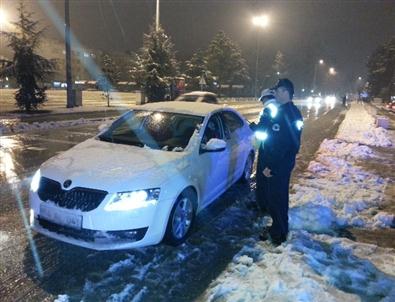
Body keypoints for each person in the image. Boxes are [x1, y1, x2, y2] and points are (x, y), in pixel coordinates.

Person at [259, 78, 303, 246]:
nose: (274, 93)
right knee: (280, 197)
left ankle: (278, 234)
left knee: (275, 199)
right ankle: (280, 227)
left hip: (279, 164)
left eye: (277, 91)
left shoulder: (285, 114)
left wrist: (271, 167)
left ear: (285, 92)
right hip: (285, 163)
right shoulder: (293, 111)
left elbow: (282, 145)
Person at [249, 88, 279, 214]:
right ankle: (267, 202)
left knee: (262, 177)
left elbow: (262, 128)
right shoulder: (278, 106)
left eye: (262, 100)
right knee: (269, 176)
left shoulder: (268, 108)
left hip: (267, 146)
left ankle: (261, 205)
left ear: (265, 98)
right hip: (275, 146)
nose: (262, 102)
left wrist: (253, 126)